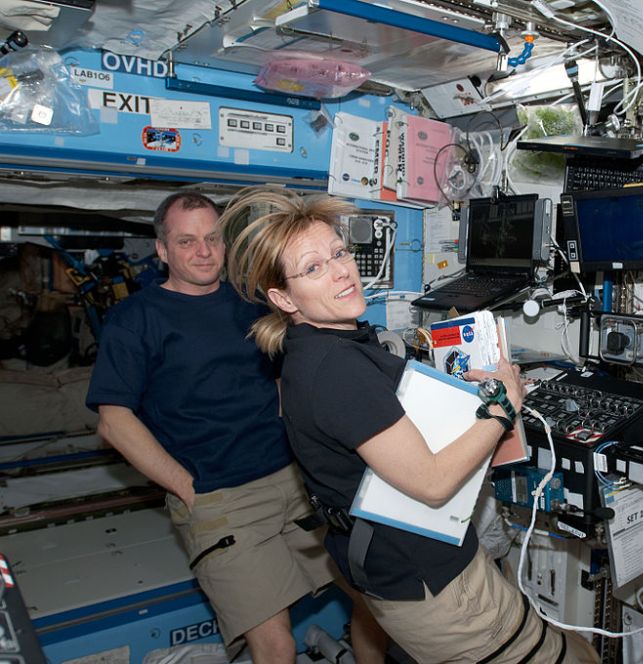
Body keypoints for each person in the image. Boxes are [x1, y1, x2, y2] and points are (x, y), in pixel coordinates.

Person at [221, 186, 601, 664]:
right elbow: (435, 483)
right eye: (313, 268)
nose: (341, 271)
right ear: (284, 297)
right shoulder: (336, 370)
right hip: (433, 583)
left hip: (398, 569)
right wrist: (505, 405)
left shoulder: (312, 352)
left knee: (573, 649)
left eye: (339, 252)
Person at [85, 192, 386, 663]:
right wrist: (188, 489)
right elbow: (114, 422)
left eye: (212, 238)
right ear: (162, 250)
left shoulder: (253, 303)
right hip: (222, 500)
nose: (203, 251)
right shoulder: (135, 319)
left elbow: (290, 377)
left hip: (296, 484)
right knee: (275, 645)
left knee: (374, 602)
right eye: (187, 241)